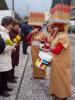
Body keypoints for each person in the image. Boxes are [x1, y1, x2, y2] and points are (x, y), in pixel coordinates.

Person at [47, 23, 72, 100]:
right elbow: (53, 45)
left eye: (55, 27)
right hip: (56, 60)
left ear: (60, 27)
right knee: (55, 77)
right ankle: (56, 91)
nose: (53, 28)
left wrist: (49, 49)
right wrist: (49, 47)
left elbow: (57, 50)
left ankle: (63, 95)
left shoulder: (63, 37)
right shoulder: (58, 35)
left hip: (62, 61)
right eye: (53, 27)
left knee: (61, 78)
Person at [0, 17, 15, 97]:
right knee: (2, 75)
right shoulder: (1, 33)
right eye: (11, 24)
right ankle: (1, 91)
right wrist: (10, 48)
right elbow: (1, 47)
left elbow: (7, 43)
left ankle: (5, 87)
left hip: (6, 57)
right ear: (6, 24)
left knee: (5, 74)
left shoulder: (6, 32)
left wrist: (11, 47)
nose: (12, 26)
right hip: (2, 58)